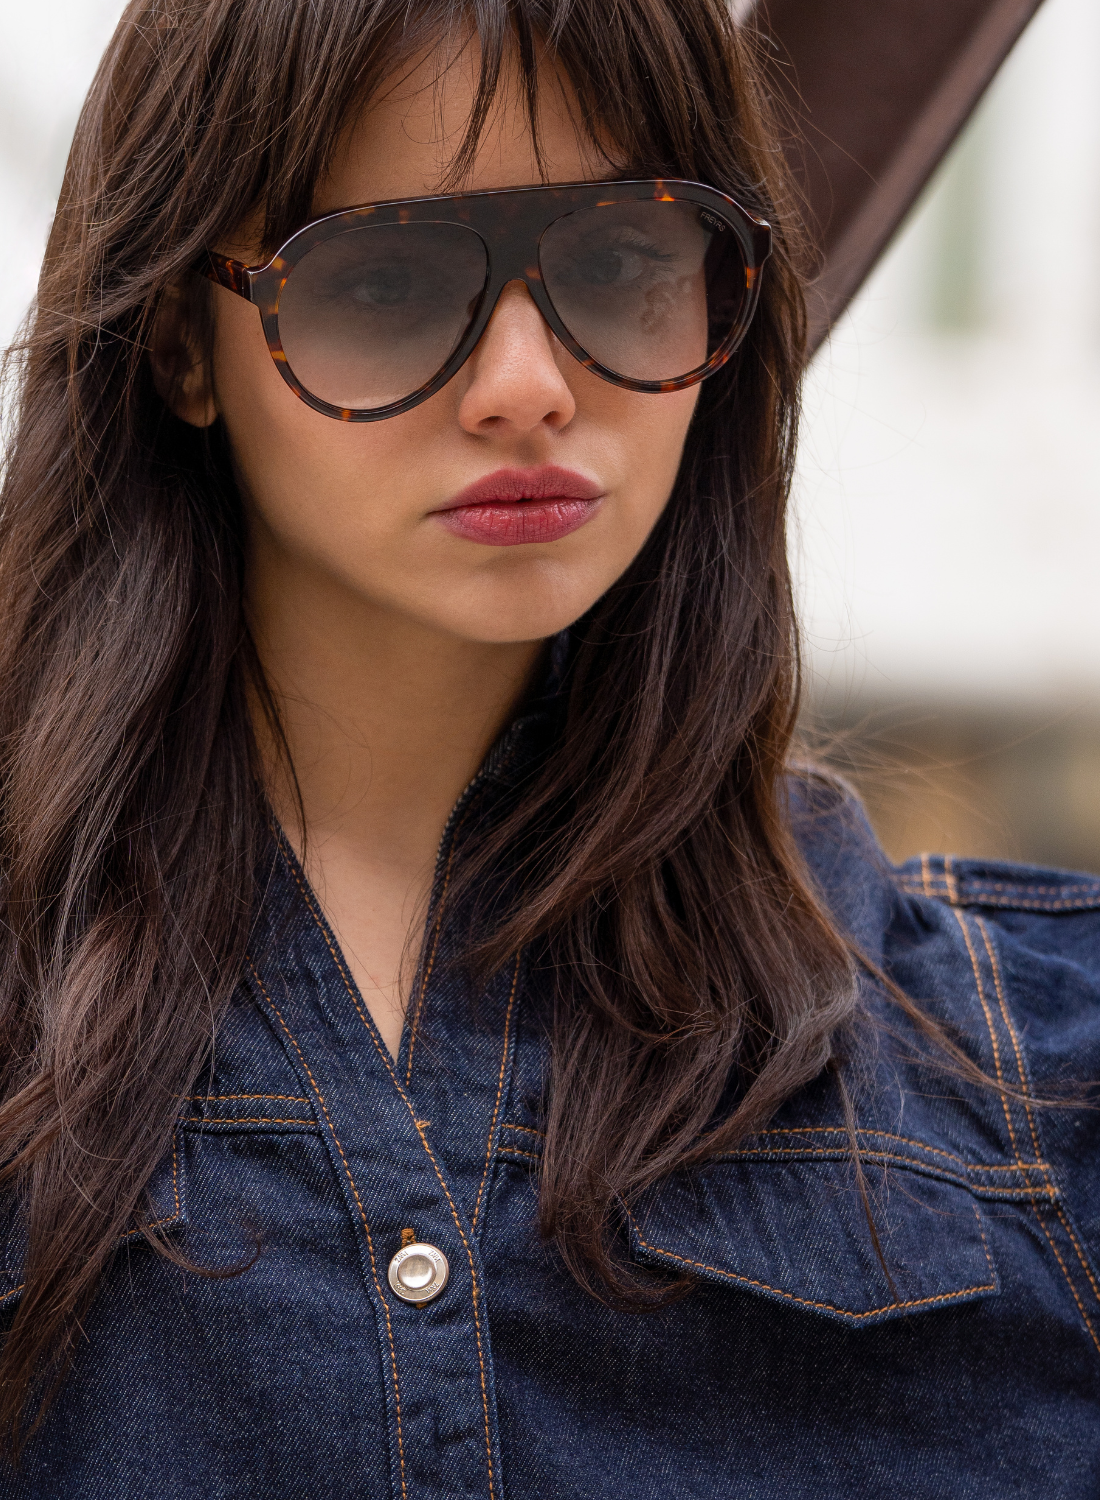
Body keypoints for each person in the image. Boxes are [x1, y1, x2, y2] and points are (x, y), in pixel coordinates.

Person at [0, 0, 1097, 1493]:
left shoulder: (1036, 1082)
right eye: (388, 277)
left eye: (623, 259)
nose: (529, 383)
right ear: (186, 346)